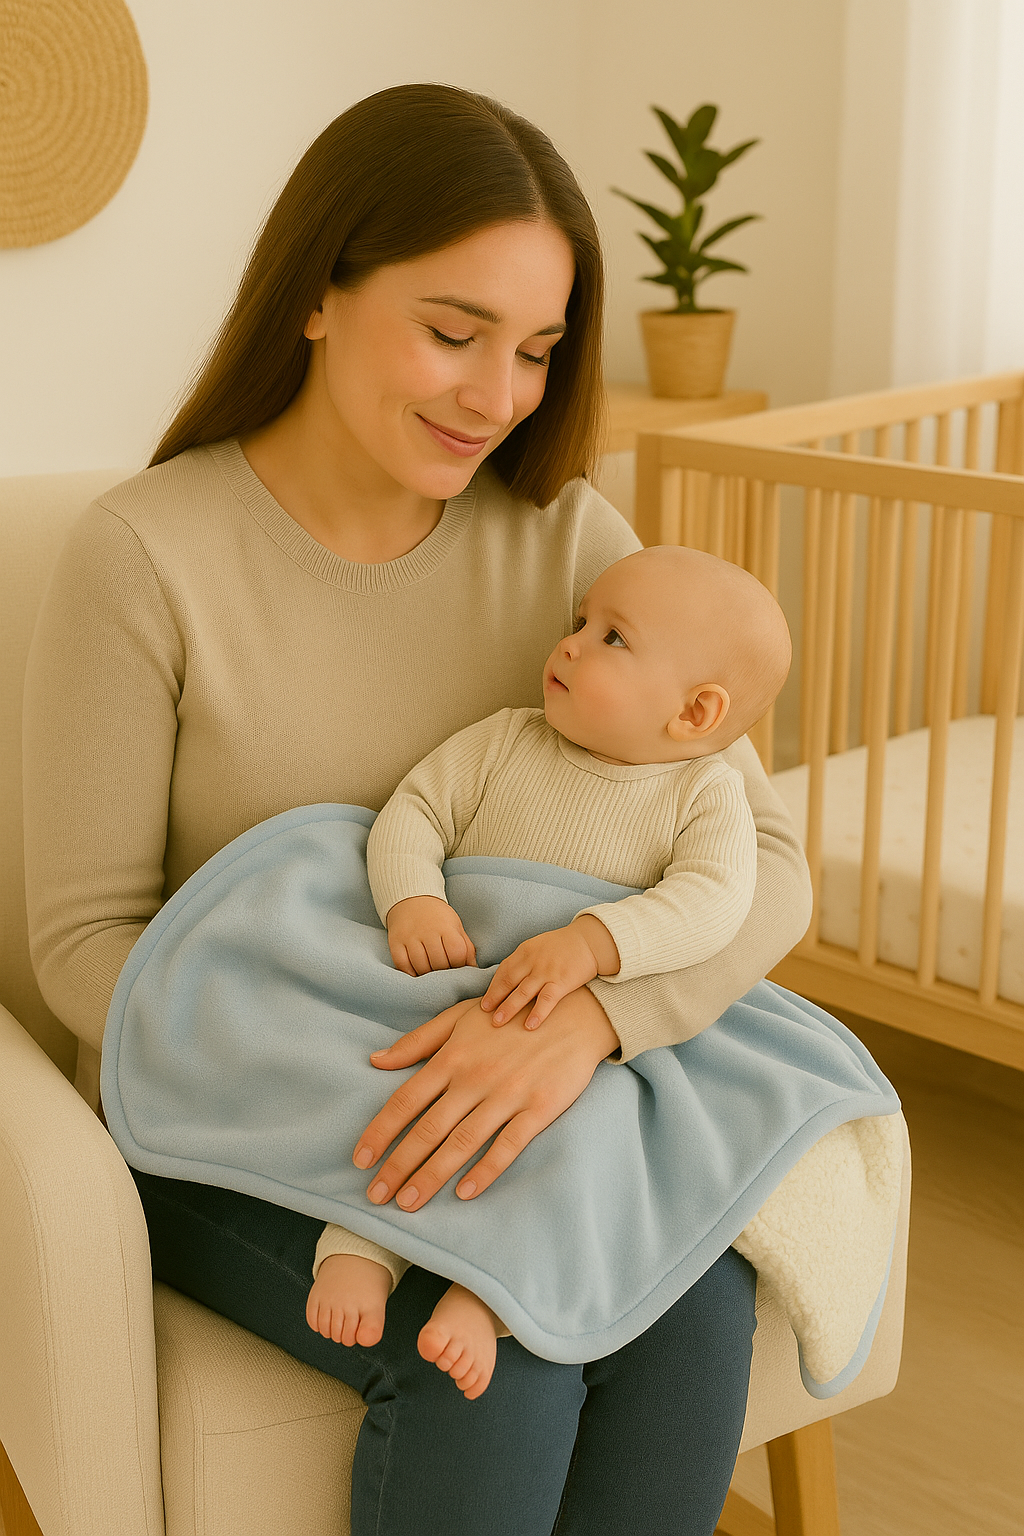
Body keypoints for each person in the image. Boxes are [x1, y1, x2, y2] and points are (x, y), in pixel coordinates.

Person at [23, 83, 811, 1536]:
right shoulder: (144, 555)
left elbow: (764, 865)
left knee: (691, 1304)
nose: (498, 397)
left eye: (537, 351)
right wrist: (398, 1074)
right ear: (318, 295)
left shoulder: (570, 547)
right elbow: (83, 941)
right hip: (229, 1110)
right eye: (454, 333)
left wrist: (588, 1027)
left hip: (528, 1093)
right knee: (489, 1367)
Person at [307, 545, 793, 1404]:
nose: (570, 643)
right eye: (579, 622)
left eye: (612, 638)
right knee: (398, 1087)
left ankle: (489, 1296)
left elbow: (715, 901)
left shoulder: (704, 795)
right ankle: (355, 1248)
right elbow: (413, 812)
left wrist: (596, 943)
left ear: (695, 712)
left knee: (586, 1139)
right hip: (462, 986)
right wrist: (412, 899)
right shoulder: (505, 739)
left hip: (579, 1033)